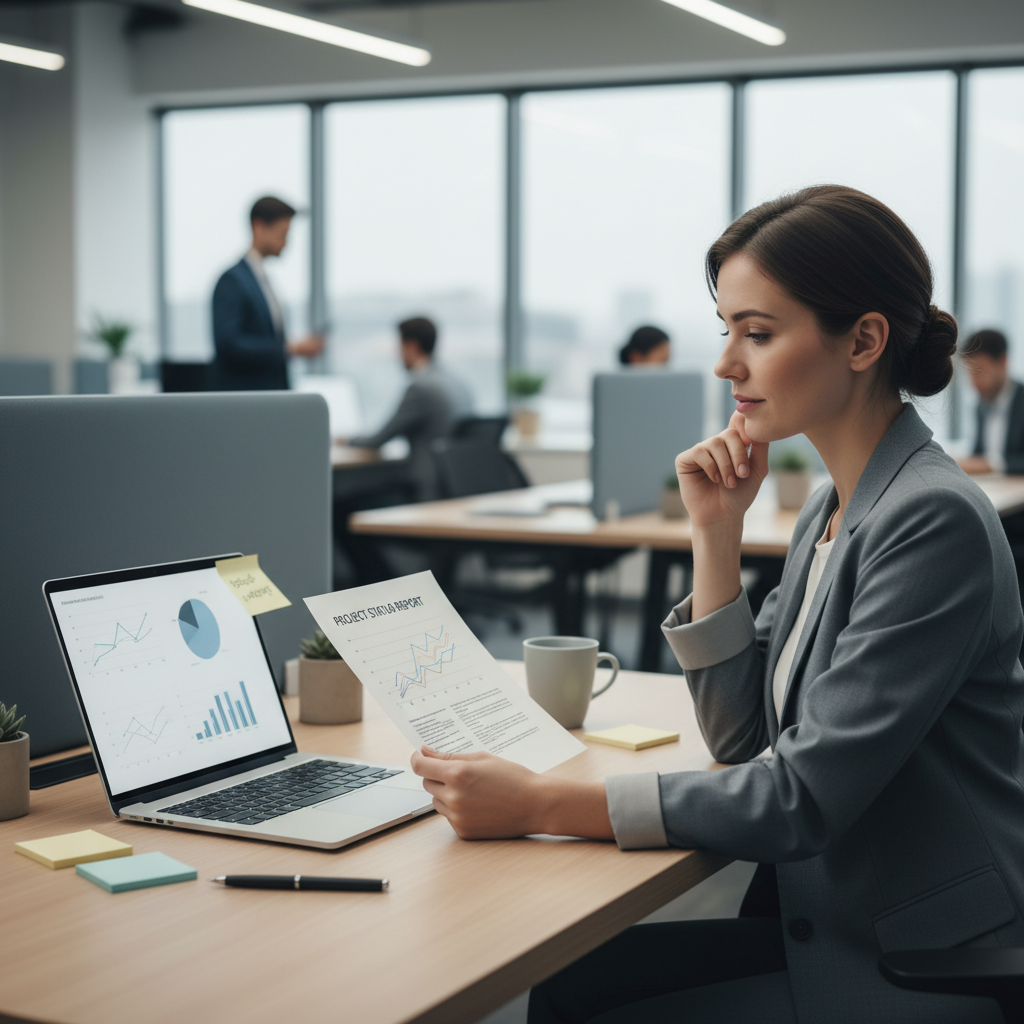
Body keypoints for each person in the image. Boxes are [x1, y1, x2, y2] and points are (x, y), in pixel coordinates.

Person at [411, 186, 1024, 1023]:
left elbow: (800, 797)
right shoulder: (835, 506)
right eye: (727, 329)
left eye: (758, 333)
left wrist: (543, 804)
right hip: (826, 914)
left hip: (914, 954)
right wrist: (717, 535)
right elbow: (744, 737)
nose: (726, 362)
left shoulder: (930, 519)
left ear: (864, 340)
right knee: (566, 986)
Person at [346, 317, 472, 502]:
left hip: (427, 485)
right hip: (455, 482)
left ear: (411, 346)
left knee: (347, 500)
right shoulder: (457, 383)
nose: (398, 354)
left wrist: (347, 440)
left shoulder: (421, 387)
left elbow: (378, 439)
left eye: (400, 347)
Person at [211, 196, 323, 390]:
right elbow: (228, 345)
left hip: (271, 396)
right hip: (247, 401)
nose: (286, 242)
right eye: (283, 233)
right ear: (259, 227)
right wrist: (290, 349)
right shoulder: (233, 281)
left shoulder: (261, 279)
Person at [957, 328, 1024, 475]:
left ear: (1003, 361)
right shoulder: (980, 405)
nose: (973, 383)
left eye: (979, 371)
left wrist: (992, 465)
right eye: (969, 373)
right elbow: (978, 455)